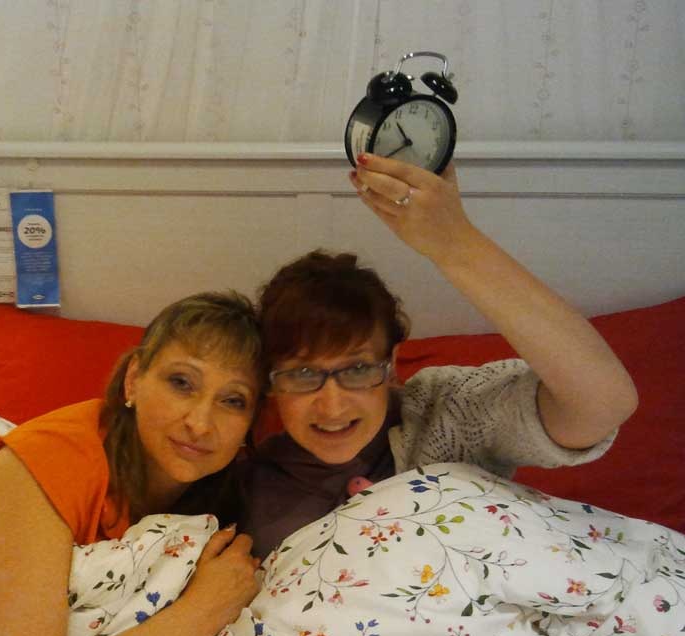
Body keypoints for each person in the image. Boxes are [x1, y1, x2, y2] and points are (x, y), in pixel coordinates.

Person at [242, 153, 638, 559]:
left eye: (358, 368)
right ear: (270, 381)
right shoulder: (244, 478)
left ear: (392, 364)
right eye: (303, 374)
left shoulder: (447, 415)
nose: (332, 405)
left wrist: (454, 242)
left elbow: (601, 404)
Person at [0, 292, 265, 636]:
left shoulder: (228, 493)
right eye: (182, 383)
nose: (200, 422)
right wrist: (201, 611)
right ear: (133, 380)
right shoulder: (53, 459)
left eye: (232, 400)